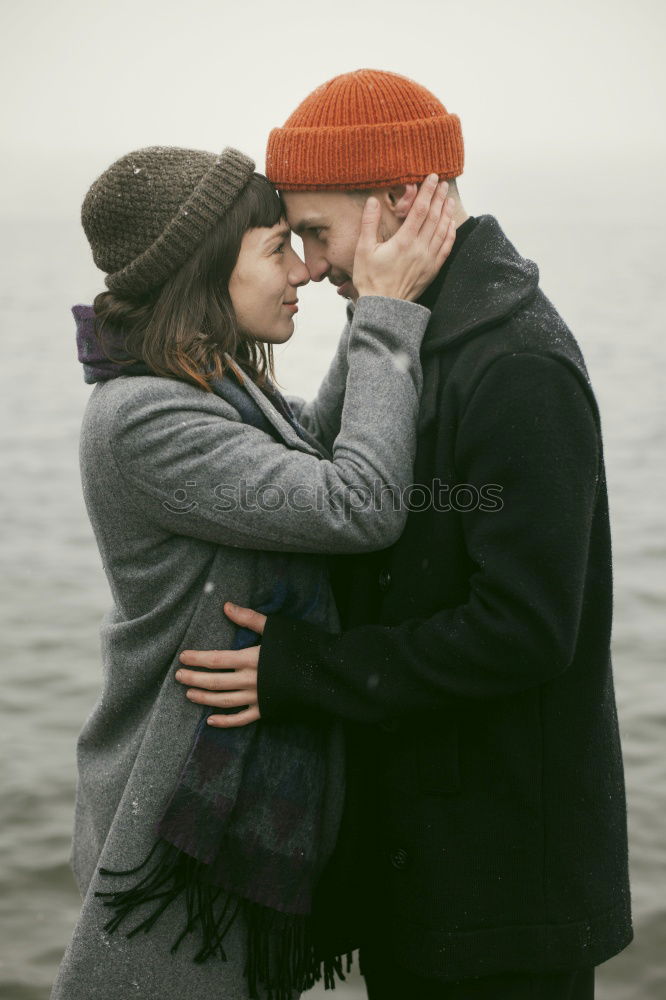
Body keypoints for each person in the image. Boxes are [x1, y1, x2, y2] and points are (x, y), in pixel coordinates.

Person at [175, 70, 633, 999]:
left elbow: (526, 631)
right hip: (428, 871)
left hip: (505, 897)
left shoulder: (518, 364)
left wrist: (304, 673)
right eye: (295, 238)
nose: (310, 262)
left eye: (318, 231)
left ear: (398, 201)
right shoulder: (420, 334)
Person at [49, 143, 457, 1000]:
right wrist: (384, 314)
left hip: (216, 790)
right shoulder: (144, 417)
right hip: (179, 813)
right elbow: (357, 502)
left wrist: (371, 303)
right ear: (204, 274)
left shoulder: (207, 379)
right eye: (277, 248)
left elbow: (308, 448)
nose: (305, 270)